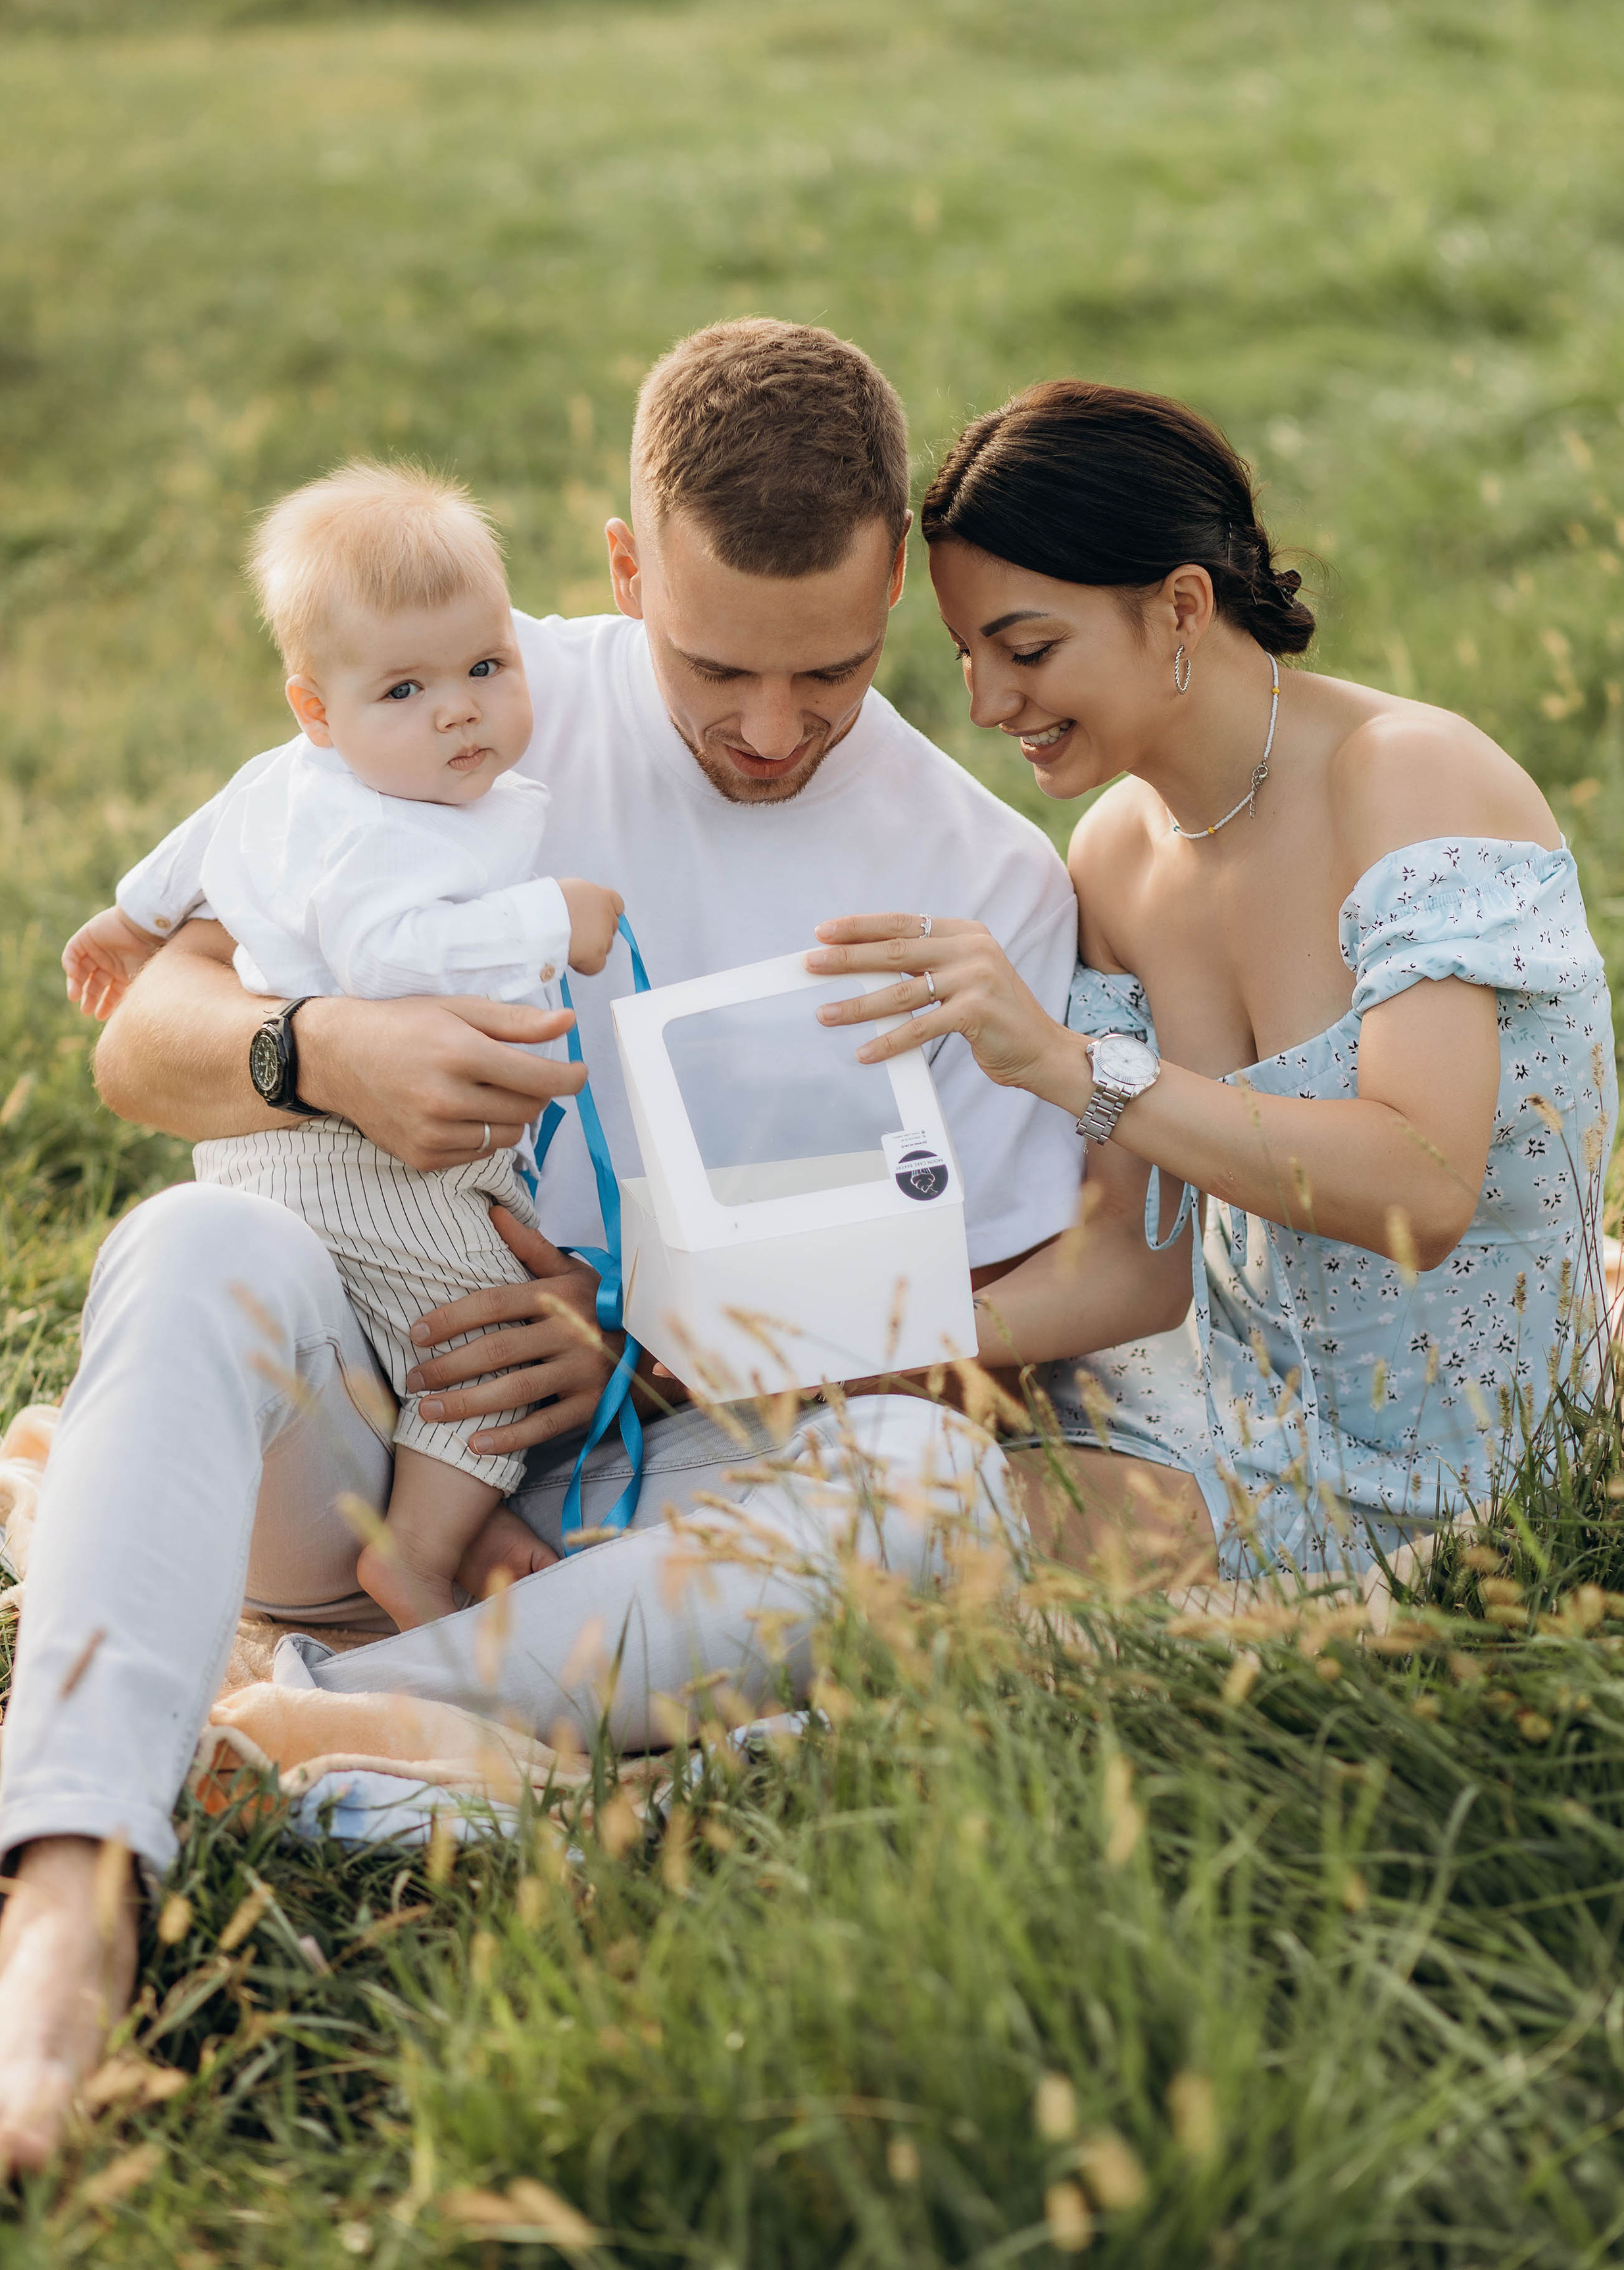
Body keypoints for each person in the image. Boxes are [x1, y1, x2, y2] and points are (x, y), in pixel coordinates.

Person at [0, 321, 1081, 2170]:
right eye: (715, 663)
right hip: (350, 1416)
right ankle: (66, 1909)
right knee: (190, 1259)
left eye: (831, 671)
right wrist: (310, 1051)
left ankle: (285, 1726)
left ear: (898, 577)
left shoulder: (984, 875)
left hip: (643, 1470)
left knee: (940, 1495)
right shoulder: (471, 698)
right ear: (623, 570)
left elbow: (973, 1332)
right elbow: (139, 1044)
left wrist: (651, 1351)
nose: (766, 728)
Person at [807, 380, 1616, 1579]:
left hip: (1471, 1470)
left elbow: (1423, 1189)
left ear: (1182, 605)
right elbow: (1133, 1266)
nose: (987, 703)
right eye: (970, 654)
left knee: (919, 1546)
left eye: (1028, 650)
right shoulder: (1118, 859)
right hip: (1219, 1409)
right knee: (858, 1476)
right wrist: (882, 1346)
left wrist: (1068, 1066)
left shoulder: (1410, 782)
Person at [62, 461, 627, 1629]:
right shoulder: (393, 833)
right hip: (371, 1154)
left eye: (485, 668)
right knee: (485, 1336)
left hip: (266, 1150)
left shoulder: (289, 780)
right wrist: (549, 917)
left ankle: (430, 1517)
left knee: (431, 1334)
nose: (459, 710)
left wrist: (128, 918)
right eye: (407, 690)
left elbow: (193, 851)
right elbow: (389, 959)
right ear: (318, 708)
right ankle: (419, 1554)